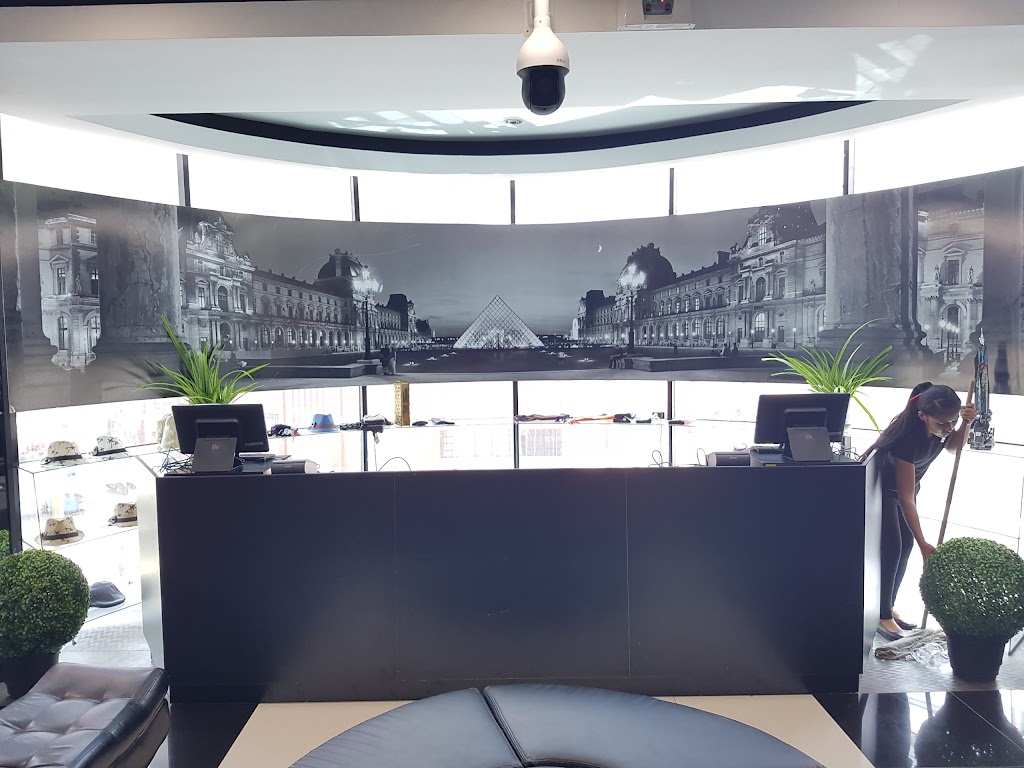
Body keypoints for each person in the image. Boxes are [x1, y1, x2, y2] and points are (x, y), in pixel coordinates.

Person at [863, 382, 976, 641]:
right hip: (882, 493)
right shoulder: (907, 439)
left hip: (905, 492)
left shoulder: (941, 428)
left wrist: (965, 424)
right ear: (922, 415)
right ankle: (881, 615)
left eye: (952, 421)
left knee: (905, 547)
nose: (947, 428)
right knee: (892, 548)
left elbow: (952, 446)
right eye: (941, 423)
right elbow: (905, 498)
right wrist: (924, 542)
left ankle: (886, 607)